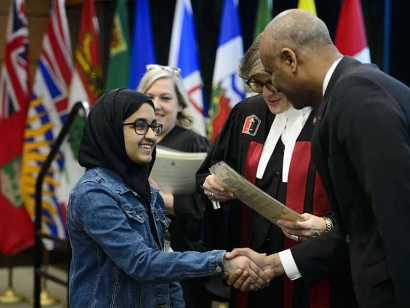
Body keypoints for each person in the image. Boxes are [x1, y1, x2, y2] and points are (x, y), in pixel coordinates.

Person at [226, 9, 410, 308]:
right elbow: (362, 224)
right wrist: (274, 264)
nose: (271, 89)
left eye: (272, 75)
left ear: (290, 60)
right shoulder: (347, 93)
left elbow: (398, 217)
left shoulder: (356, 96)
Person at [67, 88, 271, 307]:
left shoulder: (148, 191)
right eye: (139, 125)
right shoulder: (93, 192)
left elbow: (164, 259)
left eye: (153, 126)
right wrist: (221, 261)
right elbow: (141, 262)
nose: (152, 135)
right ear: (111, 130)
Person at [196, 34, 356, 308]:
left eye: (273, 82)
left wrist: (326, 224)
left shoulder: (333, 115)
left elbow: (358, 206)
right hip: (250, 269)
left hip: (315, 275)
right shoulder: (248, 113)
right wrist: (212, 188)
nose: (267, 92)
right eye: (257, 83)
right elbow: (208, 172)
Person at [137, 65, 223, 307]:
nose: (157, 105)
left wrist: (163, 200)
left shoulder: (197, 145)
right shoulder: (130, 142)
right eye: (149, 97)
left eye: (165, 98)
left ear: (180, 104)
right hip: (137, 256)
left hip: (184, 256)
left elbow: (213, 207)